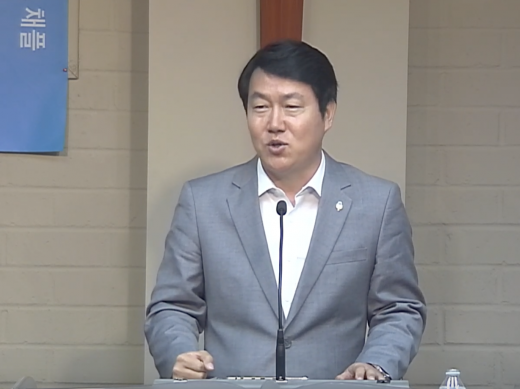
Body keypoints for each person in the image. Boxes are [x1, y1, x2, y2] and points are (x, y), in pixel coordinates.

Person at [144, 39, 426, 381]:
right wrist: (178, 353)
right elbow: (172, 306)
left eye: (291, 107)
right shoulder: (203, 202)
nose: (274, 123)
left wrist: (376, 364)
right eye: (260, 107)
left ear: (328, 114)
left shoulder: (376, 203)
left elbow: (399, 308)